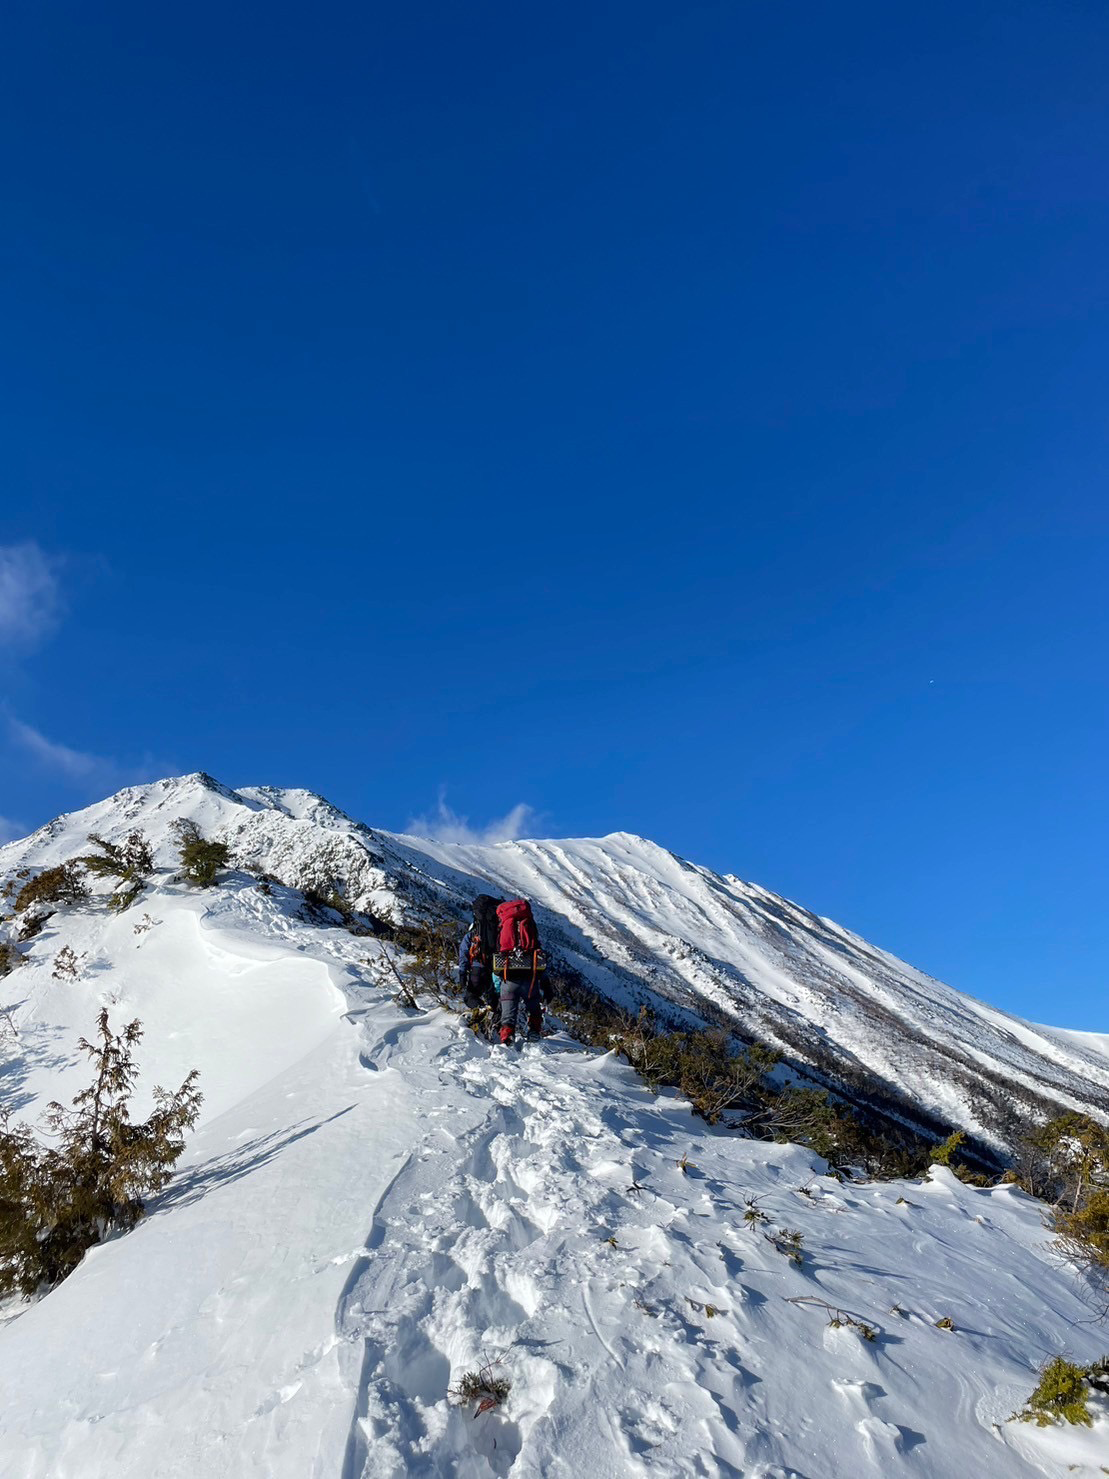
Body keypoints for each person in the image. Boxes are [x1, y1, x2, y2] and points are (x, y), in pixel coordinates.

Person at [493, 897, 547, 1045]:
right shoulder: (529, 924)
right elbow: (537, 947)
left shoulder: (504, 925)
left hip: (509, 976)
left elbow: (498, 950)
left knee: (508, 1014)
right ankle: (534, 1032)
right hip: (529, 976)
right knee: (533, 1007)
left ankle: (507, 1037)